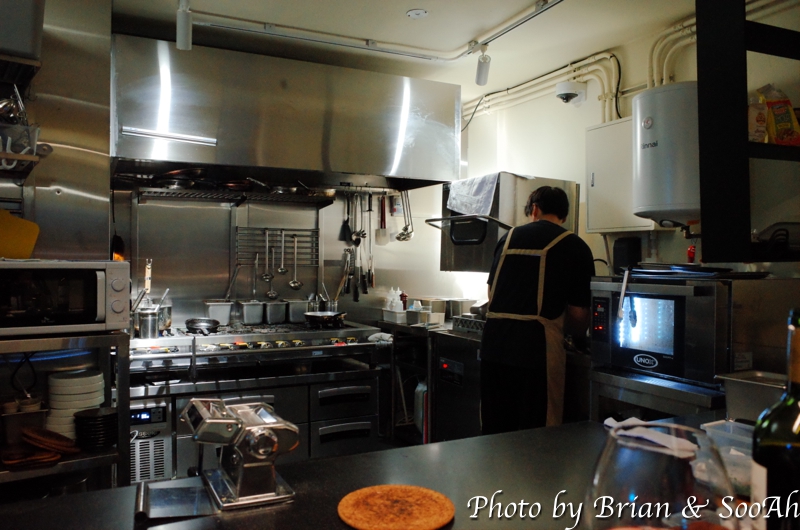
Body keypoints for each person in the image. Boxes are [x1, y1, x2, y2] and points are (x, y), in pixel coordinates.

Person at [479, 186, 594, 434]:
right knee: (537, 432)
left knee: (495, 428)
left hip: (494, 345)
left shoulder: (506, 238)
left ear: (534, 209)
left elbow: (491, 294)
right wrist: (572, 335)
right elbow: (579, 314)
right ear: (564, 215)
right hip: (535, 351)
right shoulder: (575, 245)